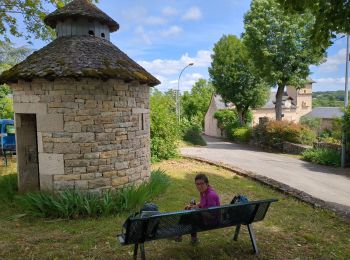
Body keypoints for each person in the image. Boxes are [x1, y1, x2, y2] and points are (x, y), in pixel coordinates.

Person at [184, 173, 220, 244]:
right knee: (189, 211)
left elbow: (212, 215)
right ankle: (191, 238)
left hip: (212, 221)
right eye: (197, 184)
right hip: (207, 217)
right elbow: (204, 204)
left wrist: (197, 210)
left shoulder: (210, 195)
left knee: (191, 216)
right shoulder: (204, 192)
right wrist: (195, 206)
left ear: (207, 183)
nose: (199, 186)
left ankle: (180, 234)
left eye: (202, 183)